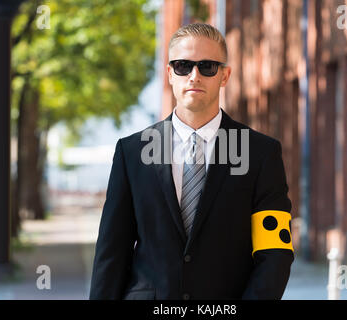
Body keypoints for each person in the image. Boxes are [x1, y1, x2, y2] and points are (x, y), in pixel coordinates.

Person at [89, 23, 294, 300]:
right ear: (170, 74)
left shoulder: (260, 153)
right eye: (183, 66)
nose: (194, 76)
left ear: (224, 75)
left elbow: (275, 253)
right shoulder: (132, 152)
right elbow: (112, 251)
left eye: (207, 66)